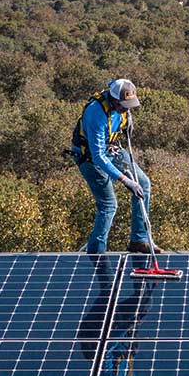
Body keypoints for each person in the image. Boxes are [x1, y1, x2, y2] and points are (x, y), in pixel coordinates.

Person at [70, 78, 158, 255]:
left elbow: (120, 118)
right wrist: (125, 180)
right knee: (109, 204)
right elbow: (99, 157)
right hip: (90, 157)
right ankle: (96, 253)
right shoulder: (96, 113)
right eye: (124, 105)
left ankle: (139, 240)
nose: (127, 108)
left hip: (113, 149)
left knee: (144, 184)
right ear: (114, 100)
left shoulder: (122, 108)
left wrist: (127, 120)